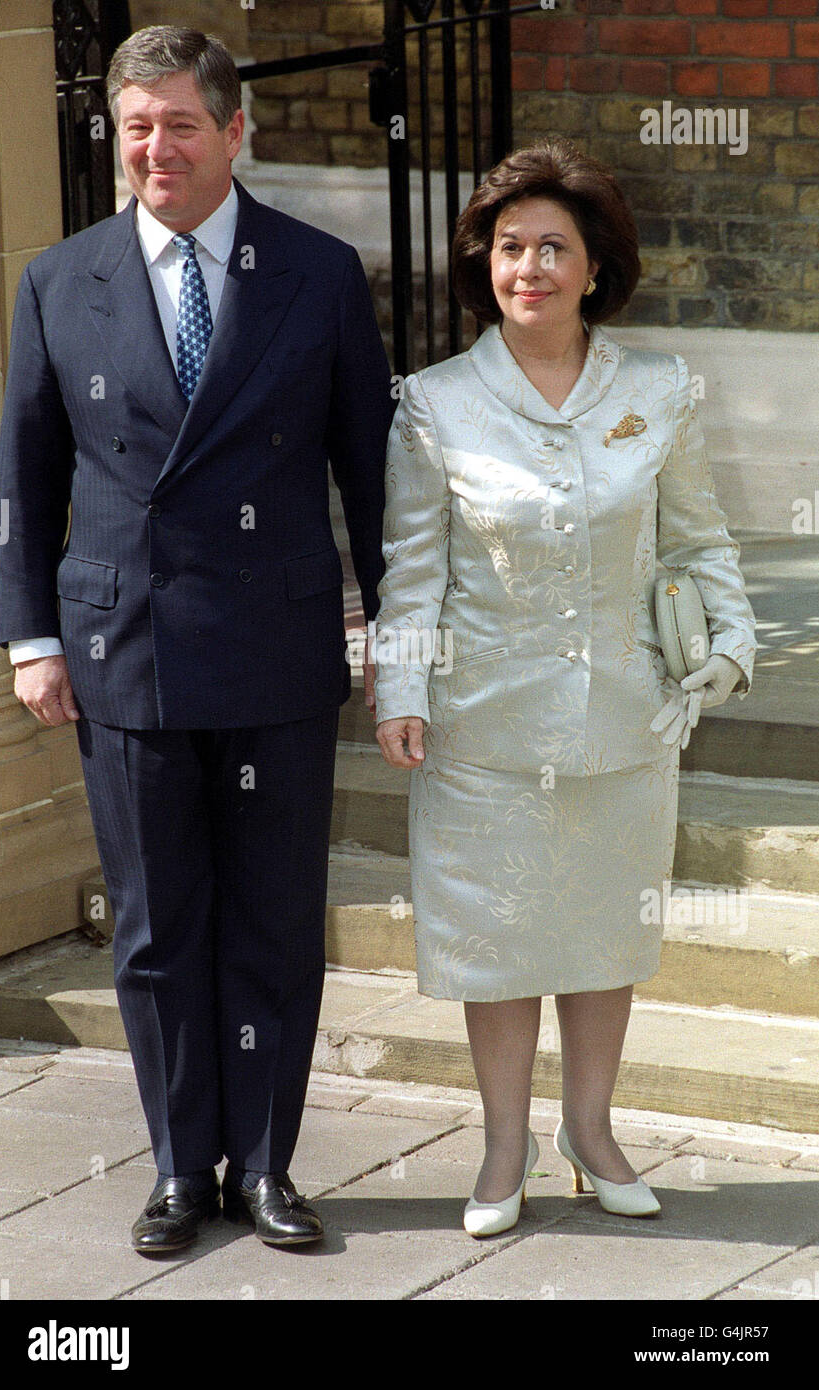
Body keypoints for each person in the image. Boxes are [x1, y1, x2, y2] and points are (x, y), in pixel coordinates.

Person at [0, 26, 394, 1253]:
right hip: (124, 652)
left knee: (273, 915)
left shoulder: (319, 274)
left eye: (178, 123)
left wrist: (400, 640)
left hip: (274, 648)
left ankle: (266, 1165)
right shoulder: (63, 279)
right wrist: (29, 638)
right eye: (135, 128)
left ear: (235, 131)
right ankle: (179, 1166)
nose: (154, 148)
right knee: (160, 928)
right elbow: (24, 469)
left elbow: (371, 478)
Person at [373, 138, 756, 1237]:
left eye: (552, 247)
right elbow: (413, 569)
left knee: (598, 933)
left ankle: (592, 1133)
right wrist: (401, 688)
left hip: (624, 720)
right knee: (497, 940)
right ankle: (503, 1147)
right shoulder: (435, 404)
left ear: (595, 268)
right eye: (508, 247)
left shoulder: (660, 391)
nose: (528, 266)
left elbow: (697, 542)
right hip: (480, 727)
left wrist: (727, 643)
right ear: (482, 265)